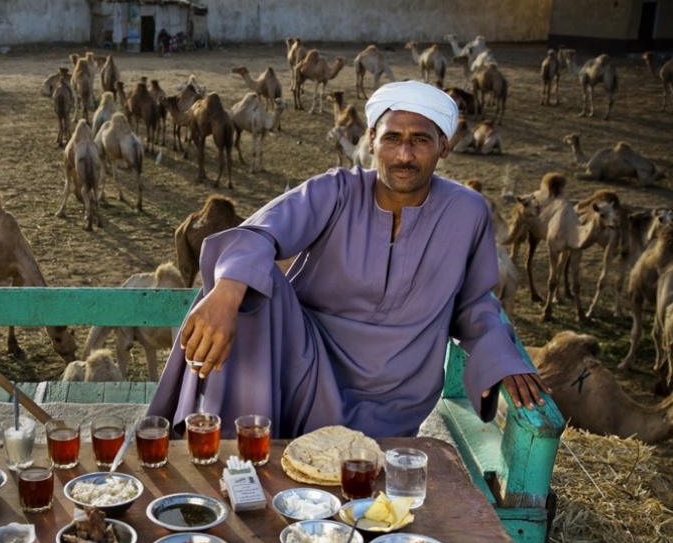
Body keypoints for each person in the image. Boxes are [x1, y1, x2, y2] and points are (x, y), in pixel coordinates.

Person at [147, 80, 548, 439]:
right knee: (247, 285)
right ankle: (236, 450)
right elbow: (261, 233)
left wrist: (503, 359)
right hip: (310, 364)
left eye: (420, 140)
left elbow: (476, 303)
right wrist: (226, 293)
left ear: (444, 144)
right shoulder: (336, 190)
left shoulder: (468, 212)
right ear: (371, 140)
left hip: (397, 390)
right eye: (392, 138)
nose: (404, 155)